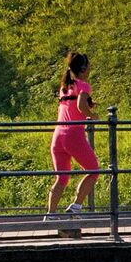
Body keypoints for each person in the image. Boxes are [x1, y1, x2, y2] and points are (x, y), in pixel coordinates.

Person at [48, 51, 102, 214]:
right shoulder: (83, 85)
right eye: (89, 67)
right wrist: (93, 116)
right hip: (73, 135)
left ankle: (50, 214)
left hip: (58, 136)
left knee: (62, 178)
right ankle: (77, 205)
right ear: (84, 69)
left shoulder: (65, 87)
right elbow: (80, 106)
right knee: (94, 170)